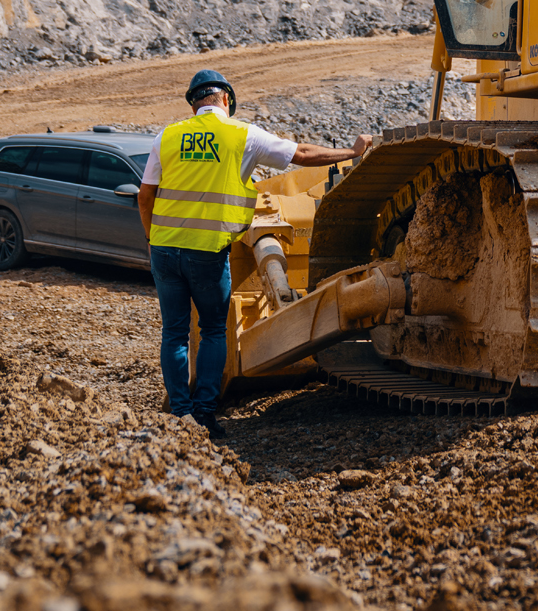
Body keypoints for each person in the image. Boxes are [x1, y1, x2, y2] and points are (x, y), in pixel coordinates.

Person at [137, 68, 372, 440]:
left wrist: (153, 240)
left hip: (165, 251)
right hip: (207, 254)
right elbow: (303, 154)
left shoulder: (167, 136)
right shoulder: (241, 134)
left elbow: (145, 196)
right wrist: (353, 152)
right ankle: (203, 416)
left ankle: (178, 415)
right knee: (213, 330)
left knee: (174, 333)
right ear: (226, 100)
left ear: (194, 103)